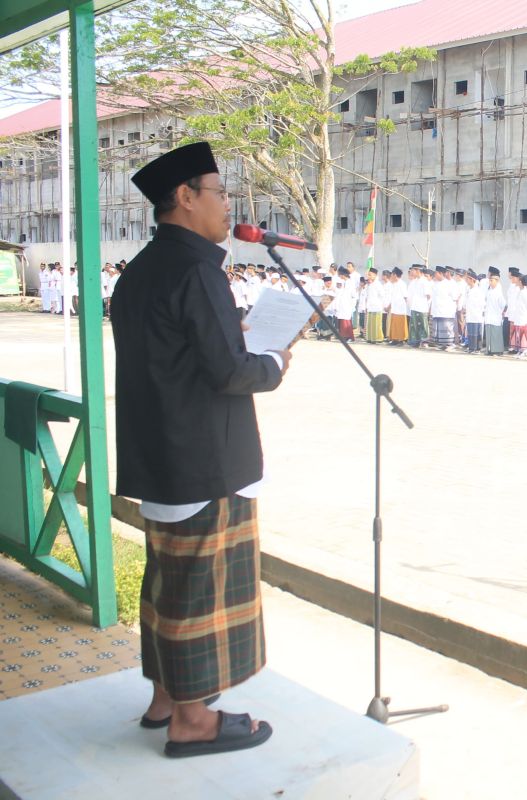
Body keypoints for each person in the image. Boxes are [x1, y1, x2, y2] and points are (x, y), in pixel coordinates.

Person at [112, 141, 287, 757]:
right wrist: (273, 361)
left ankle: (166, 698)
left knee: (167, 583)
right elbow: (229, 373)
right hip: (205, 460)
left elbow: (177, 355)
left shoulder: (143, 269)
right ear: (185, 198)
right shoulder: (196, 269)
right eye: (218, 192)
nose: (226, 204)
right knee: (198, 592)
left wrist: (229, 342)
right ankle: (191, 721)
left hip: (160, 455)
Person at [483, 272, 507, 355]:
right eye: (489, 280)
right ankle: (489, 350)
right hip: (489, 316)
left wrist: (499, 312)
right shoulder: (489, 291)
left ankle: (497, 350)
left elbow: (503, 305)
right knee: (489, 334)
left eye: (492, 280)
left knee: (495, 334)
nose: (490, 282)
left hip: (495, 317)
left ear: (497, 281)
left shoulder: (498, 292)